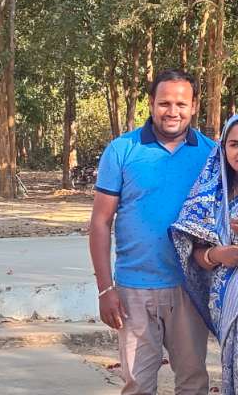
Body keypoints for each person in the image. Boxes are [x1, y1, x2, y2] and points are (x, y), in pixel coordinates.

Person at [89, 68, 215, 395]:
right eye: (164, 103)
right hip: (134, 290)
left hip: (190, 288)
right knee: (138, 386)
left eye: (181, 104)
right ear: (151, 103)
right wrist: (105, 290)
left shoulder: (210, 154)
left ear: (194, 106)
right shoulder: (122, 150)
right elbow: (100, 222)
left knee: (193, 383)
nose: (172, 111)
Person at [170, 114, 238, 395]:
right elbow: (191, 251)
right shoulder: (213, 194)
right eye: (234, 144)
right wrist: (218, 255)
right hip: (230, 311)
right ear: (223, 147)